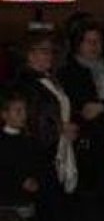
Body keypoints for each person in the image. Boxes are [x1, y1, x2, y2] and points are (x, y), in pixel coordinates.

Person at [59, 20, 104, 221]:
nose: (94, 47)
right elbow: (85, 110)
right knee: (90, 200)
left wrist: (103, 106)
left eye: (98, 41)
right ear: (78, 44)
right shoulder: (70, 72)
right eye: (89, 42)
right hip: (89, 142)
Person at [12, 33, 76, 221]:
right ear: (29, 55)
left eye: (51, 51)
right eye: (44, 51)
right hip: (38, 157)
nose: (50, 55)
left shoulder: (49, 79)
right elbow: (26, 123)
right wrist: (60, 129)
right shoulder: (24, 84)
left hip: (56, 153)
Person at [0, 90, 43, 220]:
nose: (24, 115)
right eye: (18, 111)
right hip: (6, 206)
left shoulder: (30, 140)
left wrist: (35, 179)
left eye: (25, 110)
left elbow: (37, 165)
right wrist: (21, 180)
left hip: (27, 204)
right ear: (4, 115)